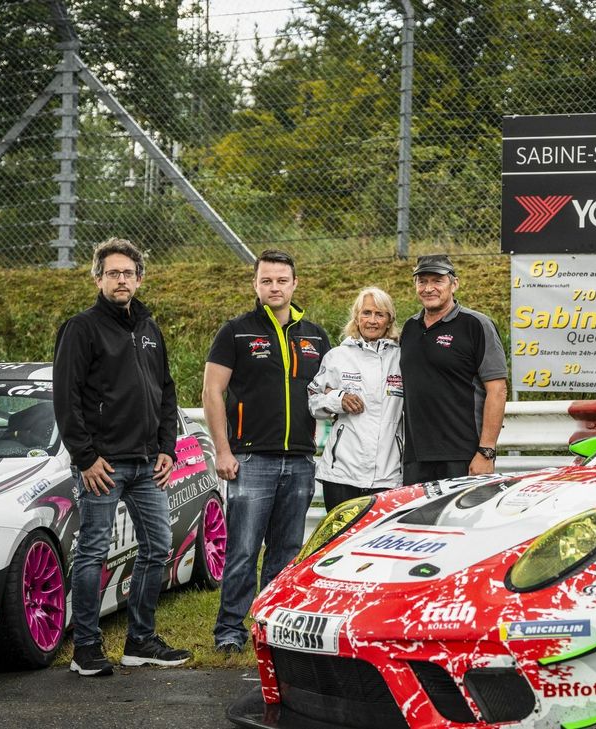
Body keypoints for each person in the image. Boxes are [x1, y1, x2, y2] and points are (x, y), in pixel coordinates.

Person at [53, 237, 191, 677]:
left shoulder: (149, 328)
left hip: (148, 464)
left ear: (139, 279)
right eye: (113, 273)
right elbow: (66, 398)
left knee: (158, 547)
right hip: (104, 466)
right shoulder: (82, 328)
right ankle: (86, 649)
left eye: (128, 273)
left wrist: (167, 447)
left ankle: (140, 640)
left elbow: (166, 392)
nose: (121, 280)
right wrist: (86, 456)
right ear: (97, 278)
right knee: (93, 551)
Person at [203, 249, 331, 653]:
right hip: (250, 459)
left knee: (287, 551)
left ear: (295, 284)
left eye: (281, 280)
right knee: (242, 550)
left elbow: (329, 394)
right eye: (266, 281)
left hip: (299, 460)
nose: (274, 287)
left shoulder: (315, 336)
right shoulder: (236, 331)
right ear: (255, 285)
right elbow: (211, 392)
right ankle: (229, 630)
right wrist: (223, 452)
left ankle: (270, 627)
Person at [399, 254, 507, 484]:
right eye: (422, 281)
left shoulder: (476, 325)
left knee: (464, 521)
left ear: (454, 284)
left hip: (463, 456)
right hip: (416, 457)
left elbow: (497, 390)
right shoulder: (409, 328)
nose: (429, 288)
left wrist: (486, 452)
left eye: (437, 281)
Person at [308, 287, 404, 511]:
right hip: (342, 474)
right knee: (341, 542)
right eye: (366, 313)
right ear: (356, 317)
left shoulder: (402, 357)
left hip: (388, 476)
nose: (372, 321)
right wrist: (338, 400)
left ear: (389, 320)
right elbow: (313, 401)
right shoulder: (338, 356)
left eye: (380, 314)